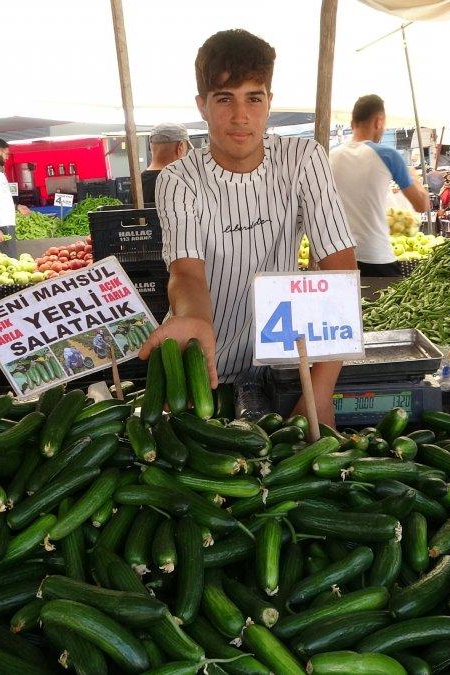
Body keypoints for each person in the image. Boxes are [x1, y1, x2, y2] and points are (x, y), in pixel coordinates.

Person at [143, 29, 357, 427]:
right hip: (205, 368)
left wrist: (321, 392)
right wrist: (193, 319)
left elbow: (340, 272)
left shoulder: (303, 159)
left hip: (284, 372)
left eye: (253, 98)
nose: (240, 116)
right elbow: (186, 272)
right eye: (224, 98)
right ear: (202, 106)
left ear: (268, 103)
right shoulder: (179, 179)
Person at [329, 94, 429, 277]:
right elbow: (422, 204)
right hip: (376, 258)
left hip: (339, 259)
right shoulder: (388, 155)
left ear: (352, 124)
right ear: (379, 121)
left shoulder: (330, 157)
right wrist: (413, 175)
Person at [0, 138, 30, 243]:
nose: (7, 157)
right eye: (6, 154)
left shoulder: (0, 174)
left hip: (8, 223)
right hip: (2, 226)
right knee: (10, 259)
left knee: (11, 258)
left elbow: (2, 199)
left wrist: (17, 207)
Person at [142, 123, 190, 204]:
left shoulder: (137, 183)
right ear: (180, 147)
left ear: (150, 146)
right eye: (186, 148)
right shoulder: (179, 182)